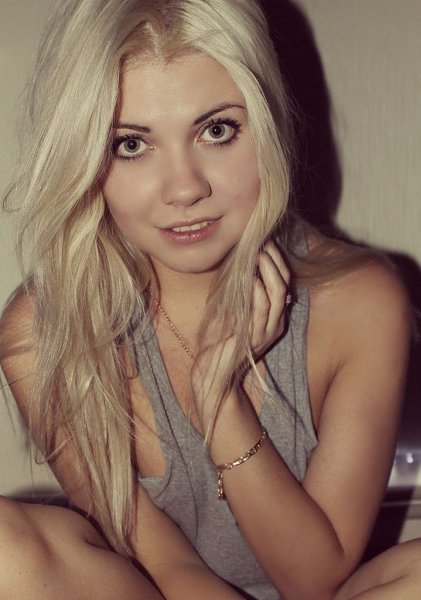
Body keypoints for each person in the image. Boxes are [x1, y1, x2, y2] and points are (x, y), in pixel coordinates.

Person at [0, 0, 419, 598]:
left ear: (266, 125)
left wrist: (220, 403)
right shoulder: (43, 332)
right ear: (85, 157)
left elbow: (315, 581)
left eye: (216, 130)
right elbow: (168, 566)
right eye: (130, 145)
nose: (185, 188)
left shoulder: (359, 302)